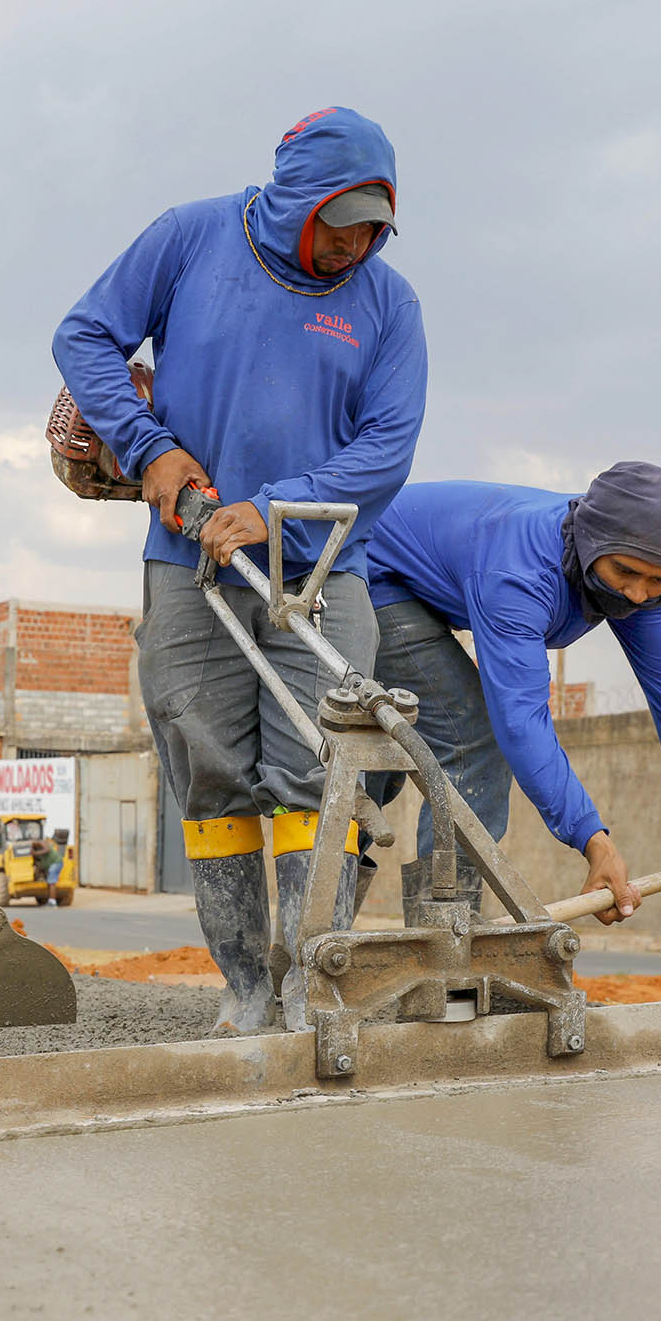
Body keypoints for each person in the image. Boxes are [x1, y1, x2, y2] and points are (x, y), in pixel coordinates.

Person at [53, 106, 429, 1031]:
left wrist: (273, 509)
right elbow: (85, 337)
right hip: (188, 568)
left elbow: (386, 448)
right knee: (212, 775)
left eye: (371, 231)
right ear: (298, 201)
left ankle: (312, 996)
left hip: (323, 575)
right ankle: (248, 995)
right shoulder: (189, 239)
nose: (353, 249)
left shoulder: (388, 304)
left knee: (323, 770)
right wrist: (147, 449)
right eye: (338, 228)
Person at [361, 464, 661, 925]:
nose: (637, 594)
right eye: (624, 572)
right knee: (470, 741)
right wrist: (595, 842)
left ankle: (332, 922)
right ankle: (443, 939)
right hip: (373, 572)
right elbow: (521, 721)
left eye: (658, 580)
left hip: (437, 582)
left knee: (379, 769)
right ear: (589, 543)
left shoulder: (642, 570)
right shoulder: (519, 573)